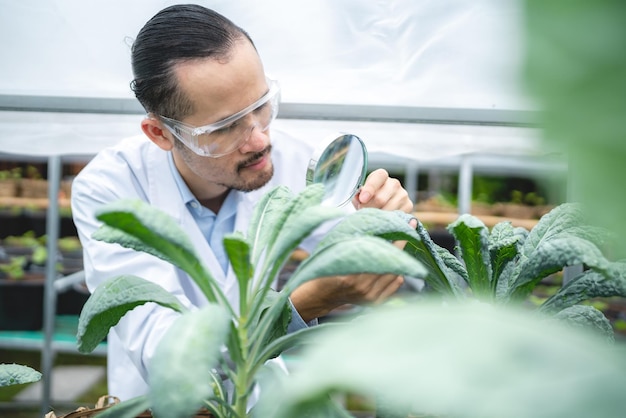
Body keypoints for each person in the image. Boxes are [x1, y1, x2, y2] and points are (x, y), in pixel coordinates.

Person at [71, 4, 415, 401]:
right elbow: (170, 359)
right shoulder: (111, 191)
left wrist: (384, 221)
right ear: (160, 134)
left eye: (261, 106)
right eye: (225, 127)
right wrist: (294, 308)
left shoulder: (289, 160)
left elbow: (353, 243)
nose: (259, 140)